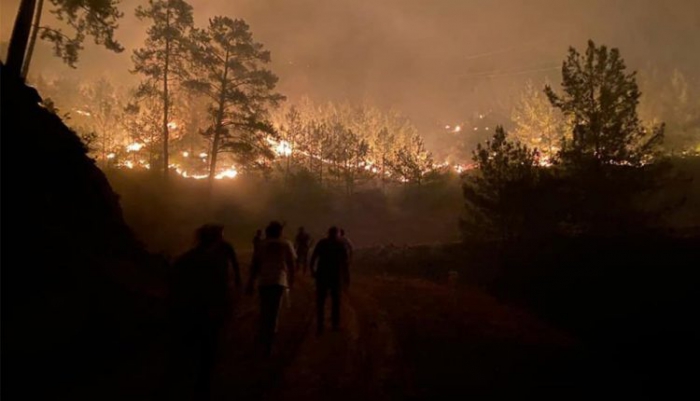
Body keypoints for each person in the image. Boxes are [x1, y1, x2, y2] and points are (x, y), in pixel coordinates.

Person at [167, 224, 240, 399]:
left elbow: (174, 286)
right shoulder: (216, 262)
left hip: (188, 312)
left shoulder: (184, 259)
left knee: (187, 352)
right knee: (208, 354)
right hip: (211, 312)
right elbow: (222, 289)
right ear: (216, 239)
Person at [246, 221, 296, 356]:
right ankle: (269, 343)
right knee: (274, 312)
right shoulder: (286, 244)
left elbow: (255, 265)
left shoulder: (261, 244)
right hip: (279, 281)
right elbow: (291, 264)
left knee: (264, 310)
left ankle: (262, 338)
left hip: (264, 281)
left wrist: (250, 282)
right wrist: (291, 281)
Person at [310, 226, 348, 335]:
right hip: (335, 276)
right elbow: (345, 263)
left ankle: (320, 324)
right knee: (336, 301)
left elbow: (314, 257)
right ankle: (335, 325)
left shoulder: (322, 243)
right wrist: (346, 277)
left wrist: (312, 270)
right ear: (337, 234)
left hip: (322, 275)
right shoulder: (341, 244)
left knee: (321, 301)